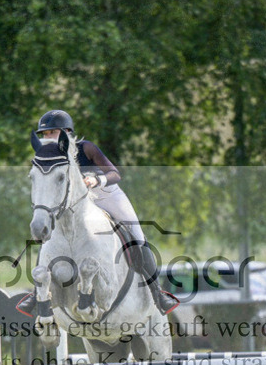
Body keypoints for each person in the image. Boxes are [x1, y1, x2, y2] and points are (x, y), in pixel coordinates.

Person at [29, 109, 179, 314]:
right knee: (49, 235)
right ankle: (36, 293)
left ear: (65, 132)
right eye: (44, 135)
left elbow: (115, 173)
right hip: (75, 204)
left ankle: (158, 294)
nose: (47, 138)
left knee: (137, 236)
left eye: (51, 133)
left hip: (105, 194)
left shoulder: (86, 148)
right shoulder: (47, 156)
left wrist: (97, 179)